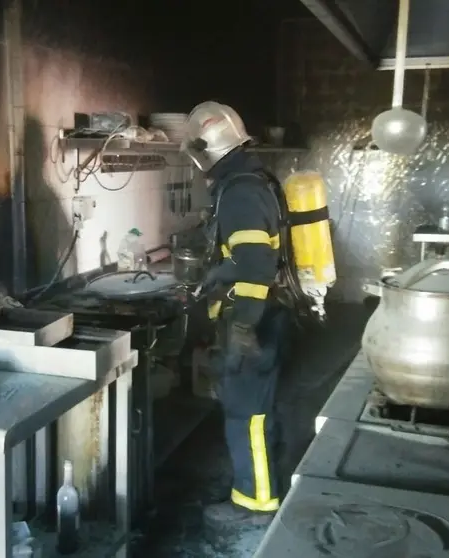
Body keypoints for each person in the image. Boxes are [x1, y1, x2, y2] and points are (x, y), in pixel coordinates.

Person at [180, 101, 289, 530]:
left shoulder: (239, 191)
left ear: (205, 151)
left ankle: (256, 505)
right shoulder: (252, 178)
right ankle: (255, 489)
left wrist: (243, 326)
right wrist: (219, 272)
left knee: (247, 416)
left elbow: (257, 265)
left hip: (254, 322)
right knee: (254, 411)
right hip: (267, 316)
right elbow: (250, 253)